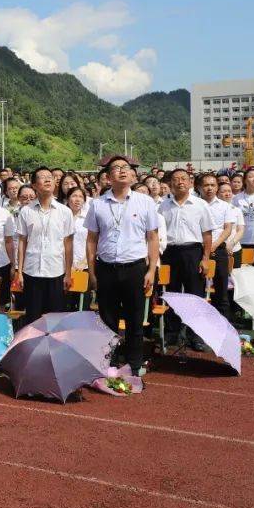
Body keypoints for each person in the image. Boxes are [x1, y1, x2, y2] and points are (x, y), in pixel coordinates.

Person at [85, 156, 160, 375]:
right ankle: (108, 362)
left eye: (125, 168)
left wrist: (151, 270)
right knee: (108, 319)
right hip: (106, 268)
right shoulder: (97, 204)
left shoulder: (145, 202)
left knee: (135, 319)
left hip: (135, 268)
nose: (122, 171)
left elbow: (153, 238)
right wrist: (92, 272)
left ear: (133, 174)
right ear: (108, 177)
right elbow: (91, 240)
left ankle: (134, 365)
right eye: (116, 168)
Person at [159, 168, 215, 349]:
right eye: (175, 179)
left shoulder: (200, 205)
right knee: (171, 295)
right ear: (170, 184)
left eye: (183, 178)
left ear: (190, 183)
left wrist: (205, 258)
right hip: (170, 253)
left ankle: (195, 335)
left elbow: (207, 234)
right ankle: (172, 332)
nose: (180, 182)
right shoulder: (163, 206)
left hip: (193, 253)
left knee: (195, 296)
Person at [13, 168, 74, 325]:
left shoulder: (65, 211)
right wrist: (19, 272)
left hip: (56, 271)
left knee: (55, 319)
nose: (47, 180)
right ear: (34, 184)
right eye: (42, 178)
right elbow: (22, 242)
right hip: (32, 272)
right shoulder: (26, 211)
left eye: (50, 177)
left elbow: (68, 244)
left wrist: (68, 273)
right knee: (33, 318)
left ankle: (52, 350)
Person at [197, 172, 235, 320]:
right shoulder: (195, 204)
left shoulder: (225, 206)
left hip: (218, 250)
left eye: (213, 185)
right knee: (199, 287)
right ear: (199, 187)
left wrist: (214, 245)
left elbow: (228, 229)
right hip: (199, 250)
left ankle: (223, 320)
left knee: (221, 287)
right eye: (206, 185)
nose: (209, 188)